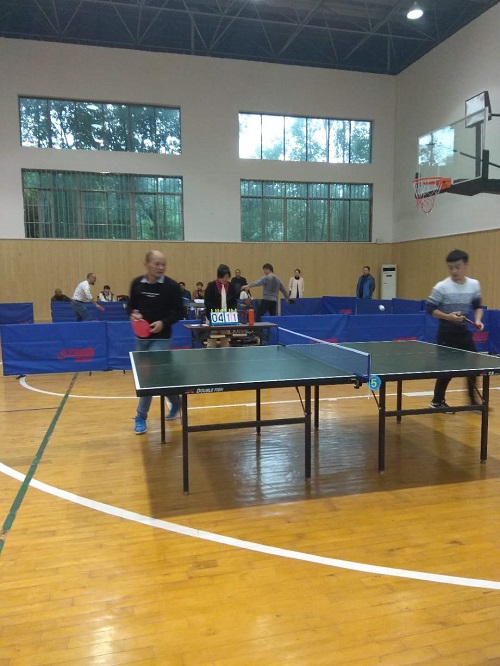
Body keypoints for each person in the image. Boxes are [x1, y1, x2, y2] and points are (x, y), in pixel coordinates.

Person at [128, 250, 185, 435]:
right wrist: (133, 314)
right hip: (141, 339)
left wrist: (163, 323)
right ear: (147, 264)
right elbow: (130, 306)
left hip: (161, 338)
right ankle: (176, 402)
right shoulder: (137, 284)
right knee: (160, 378)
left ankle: (140, 416)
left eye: (163, 264)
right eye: (157, 263)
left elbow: (180, 312)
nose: (161, 267)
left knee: (149, 377)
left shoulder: (172, 287)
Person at [426, 249, 484, 410]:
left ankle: (472, 401)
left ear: (465, 265)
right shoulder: (441, 287)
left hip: (463, 333)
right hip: (446, 333)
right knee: (447, 370)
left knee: (473, 366)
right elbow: (430, 308)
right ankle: (436, 401)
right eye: (450, 268)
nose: (454, 271)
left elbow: (478, 306)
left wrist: (478, 320)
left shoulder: (474, 285)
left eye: (457, 267)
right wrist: (448, 316)